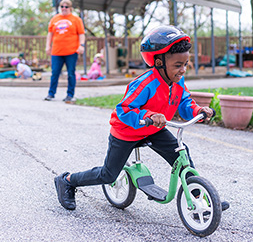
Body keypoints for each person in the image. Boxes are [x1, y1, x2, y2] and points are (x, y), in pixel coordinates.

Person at [54, 25, 229, 213]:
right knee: (108, 174)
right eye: (178, 65)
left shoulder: (178, 82)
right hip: (127, 132)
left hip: (153, 130)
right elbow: (123, 109)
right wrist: (149, 116)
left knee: (181, 153)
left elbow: (184, 102)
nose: (183, 70)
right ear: (159, 62)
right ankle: (67, 180)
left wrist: (197, 111)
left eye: (185, 64)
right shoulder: (145, 83)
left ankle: (200, 197)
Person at [44, 0, 85, 102]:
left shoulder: (76, 20)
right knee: (54, 73)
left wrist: (81, 45)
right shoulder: (54, 19)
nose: (64, 8)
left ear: (70, 8)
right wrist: (48, 46)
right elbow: (50, 34)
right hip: (57, 52)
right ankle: (51, 93)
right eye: (62, 6)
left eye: (66, 6)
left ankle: (70, 95)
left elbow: (81, 34)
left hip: (71, 51)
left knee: (71, 73)